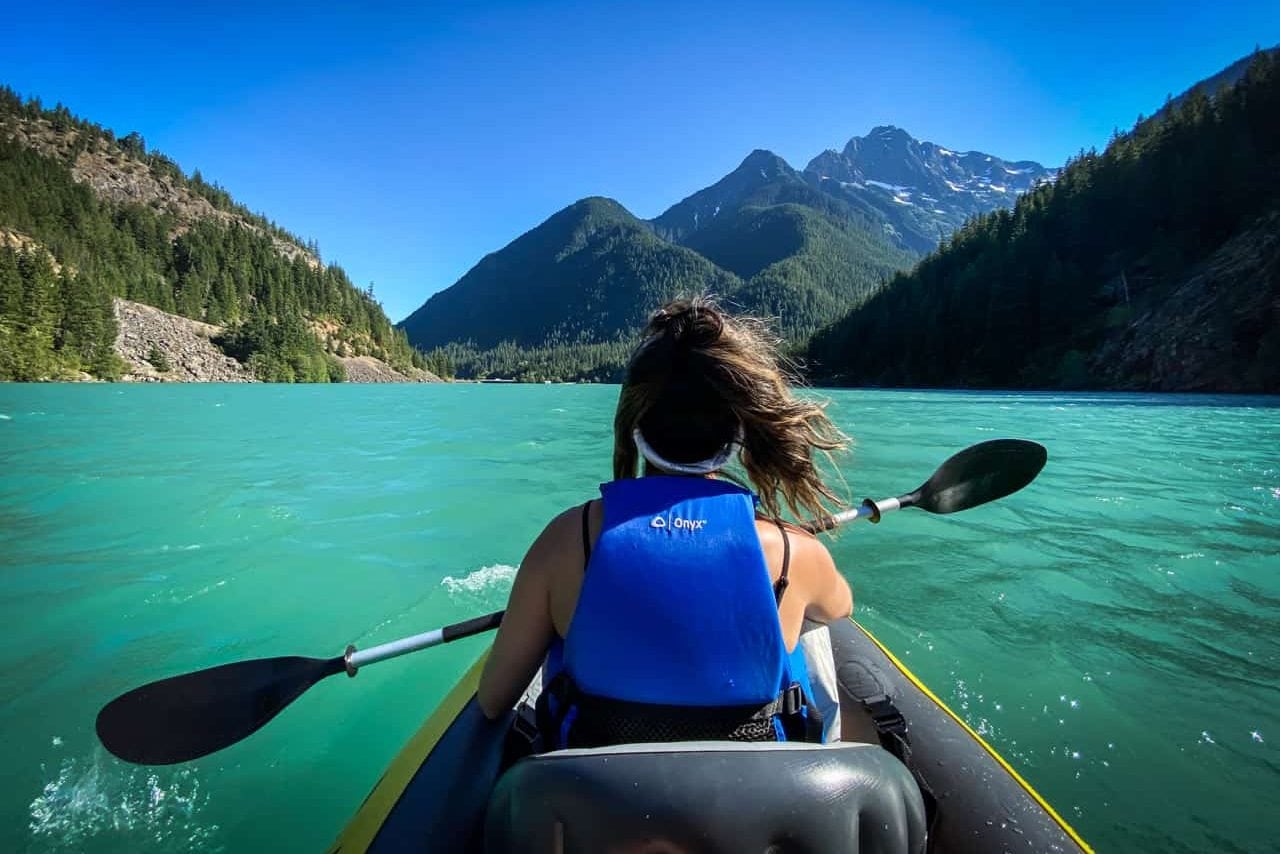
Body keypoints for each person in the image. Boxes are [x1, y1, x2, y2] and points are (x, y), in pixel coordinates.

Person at [476, 297, 853, 747]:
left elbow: (494, 700)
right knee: (809, 636)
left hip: (590, 801)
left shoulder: (566, 538)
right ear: (739, 431)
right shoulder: (795, 552)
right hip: (750, 804)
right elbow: (840, 609)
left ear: (635, 425)